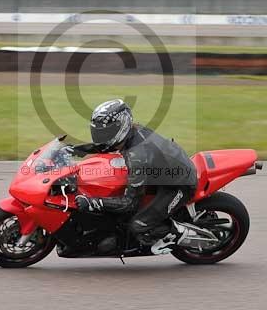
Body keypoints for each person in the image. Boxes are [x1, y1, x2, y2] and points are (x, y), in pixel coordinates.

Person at [71, 99, 210, 255]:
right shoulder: (130, 133)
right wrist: (75, 149)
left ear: (121, 127)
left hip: (179, 184)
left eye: (105, 132)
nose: (101, 136)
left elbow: (129, 203)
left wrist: (94, 202)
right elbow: (105, 145)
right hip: (161, 173)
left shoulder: (137, 156)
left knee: (138, 225)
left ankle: (179, 233)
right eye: (99, 132)